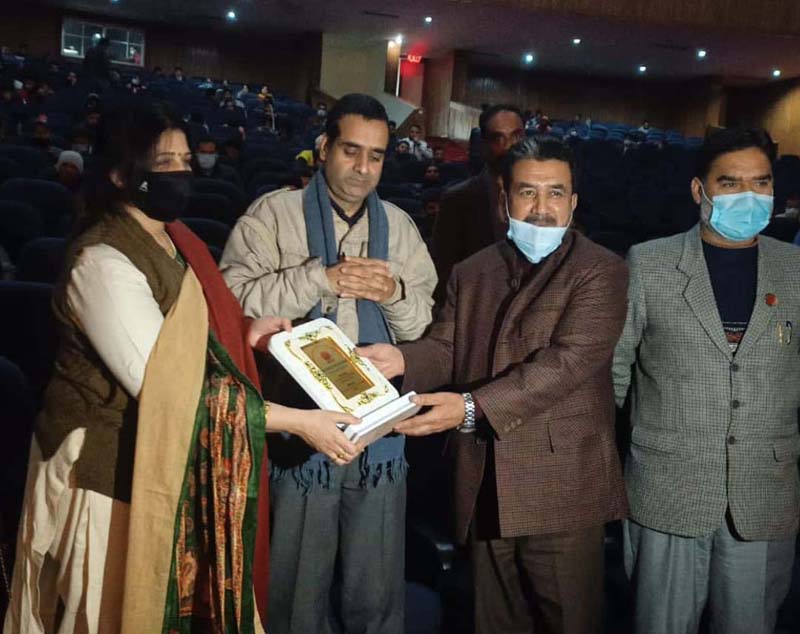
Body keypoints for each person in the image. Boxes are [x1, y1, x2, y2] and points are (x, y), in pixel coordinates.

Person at [3, 100, 362, 634]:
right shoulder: (101, 261)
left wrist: (247, 334)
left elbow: (186, 338)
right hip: (106, 472)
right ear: (123, 173)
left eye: (184, 160)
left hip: (164, 459)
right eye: (161, 162)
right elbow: (169, 385)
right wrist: (299, 422)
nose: (178, 173)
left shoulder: (174, 239)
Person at [359, 135, 629, 634]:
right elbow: (446, 347)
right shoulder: (473, 270)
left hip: (561, 486)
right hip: (485, 478)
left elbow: (566, 365)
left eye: (555, 193)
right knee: (494, 620)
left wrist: (467, 408)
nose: (542, 208)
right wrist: (400, 358)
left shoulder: (601, 271)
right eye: (528, 192)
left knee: (568, 619)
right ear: (505, 200)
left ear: (573, 201)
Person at [220, 93, 437, 634]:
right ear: (323, 149)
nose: (364, 168)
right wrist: (321, 278)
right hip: (300, 428)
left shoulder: (402, 228)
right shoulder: (273, 213)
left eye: (377, 156)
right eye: (351, 151)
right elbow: (233, 303)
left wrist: (392, 293)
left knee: (377, 585)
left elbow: (426, 332)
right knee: (296, 585)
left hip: (379, 433)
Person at [612, 127, 800, 634]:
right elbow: (616, 371)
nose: (749, 196)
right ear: (700, 190)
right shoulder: (650, 263)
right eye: (731, 183)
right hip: (668, 488)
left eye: (761, 183)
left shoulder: (796, 269)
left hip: (764, 495)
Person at [431, 103, 524, 302]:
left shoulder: (541, 199)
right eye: (499, 138)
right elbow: (443, 273)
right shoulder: (457, 199)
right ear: (483, 144)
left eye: (516, 136)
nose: (509, 146)